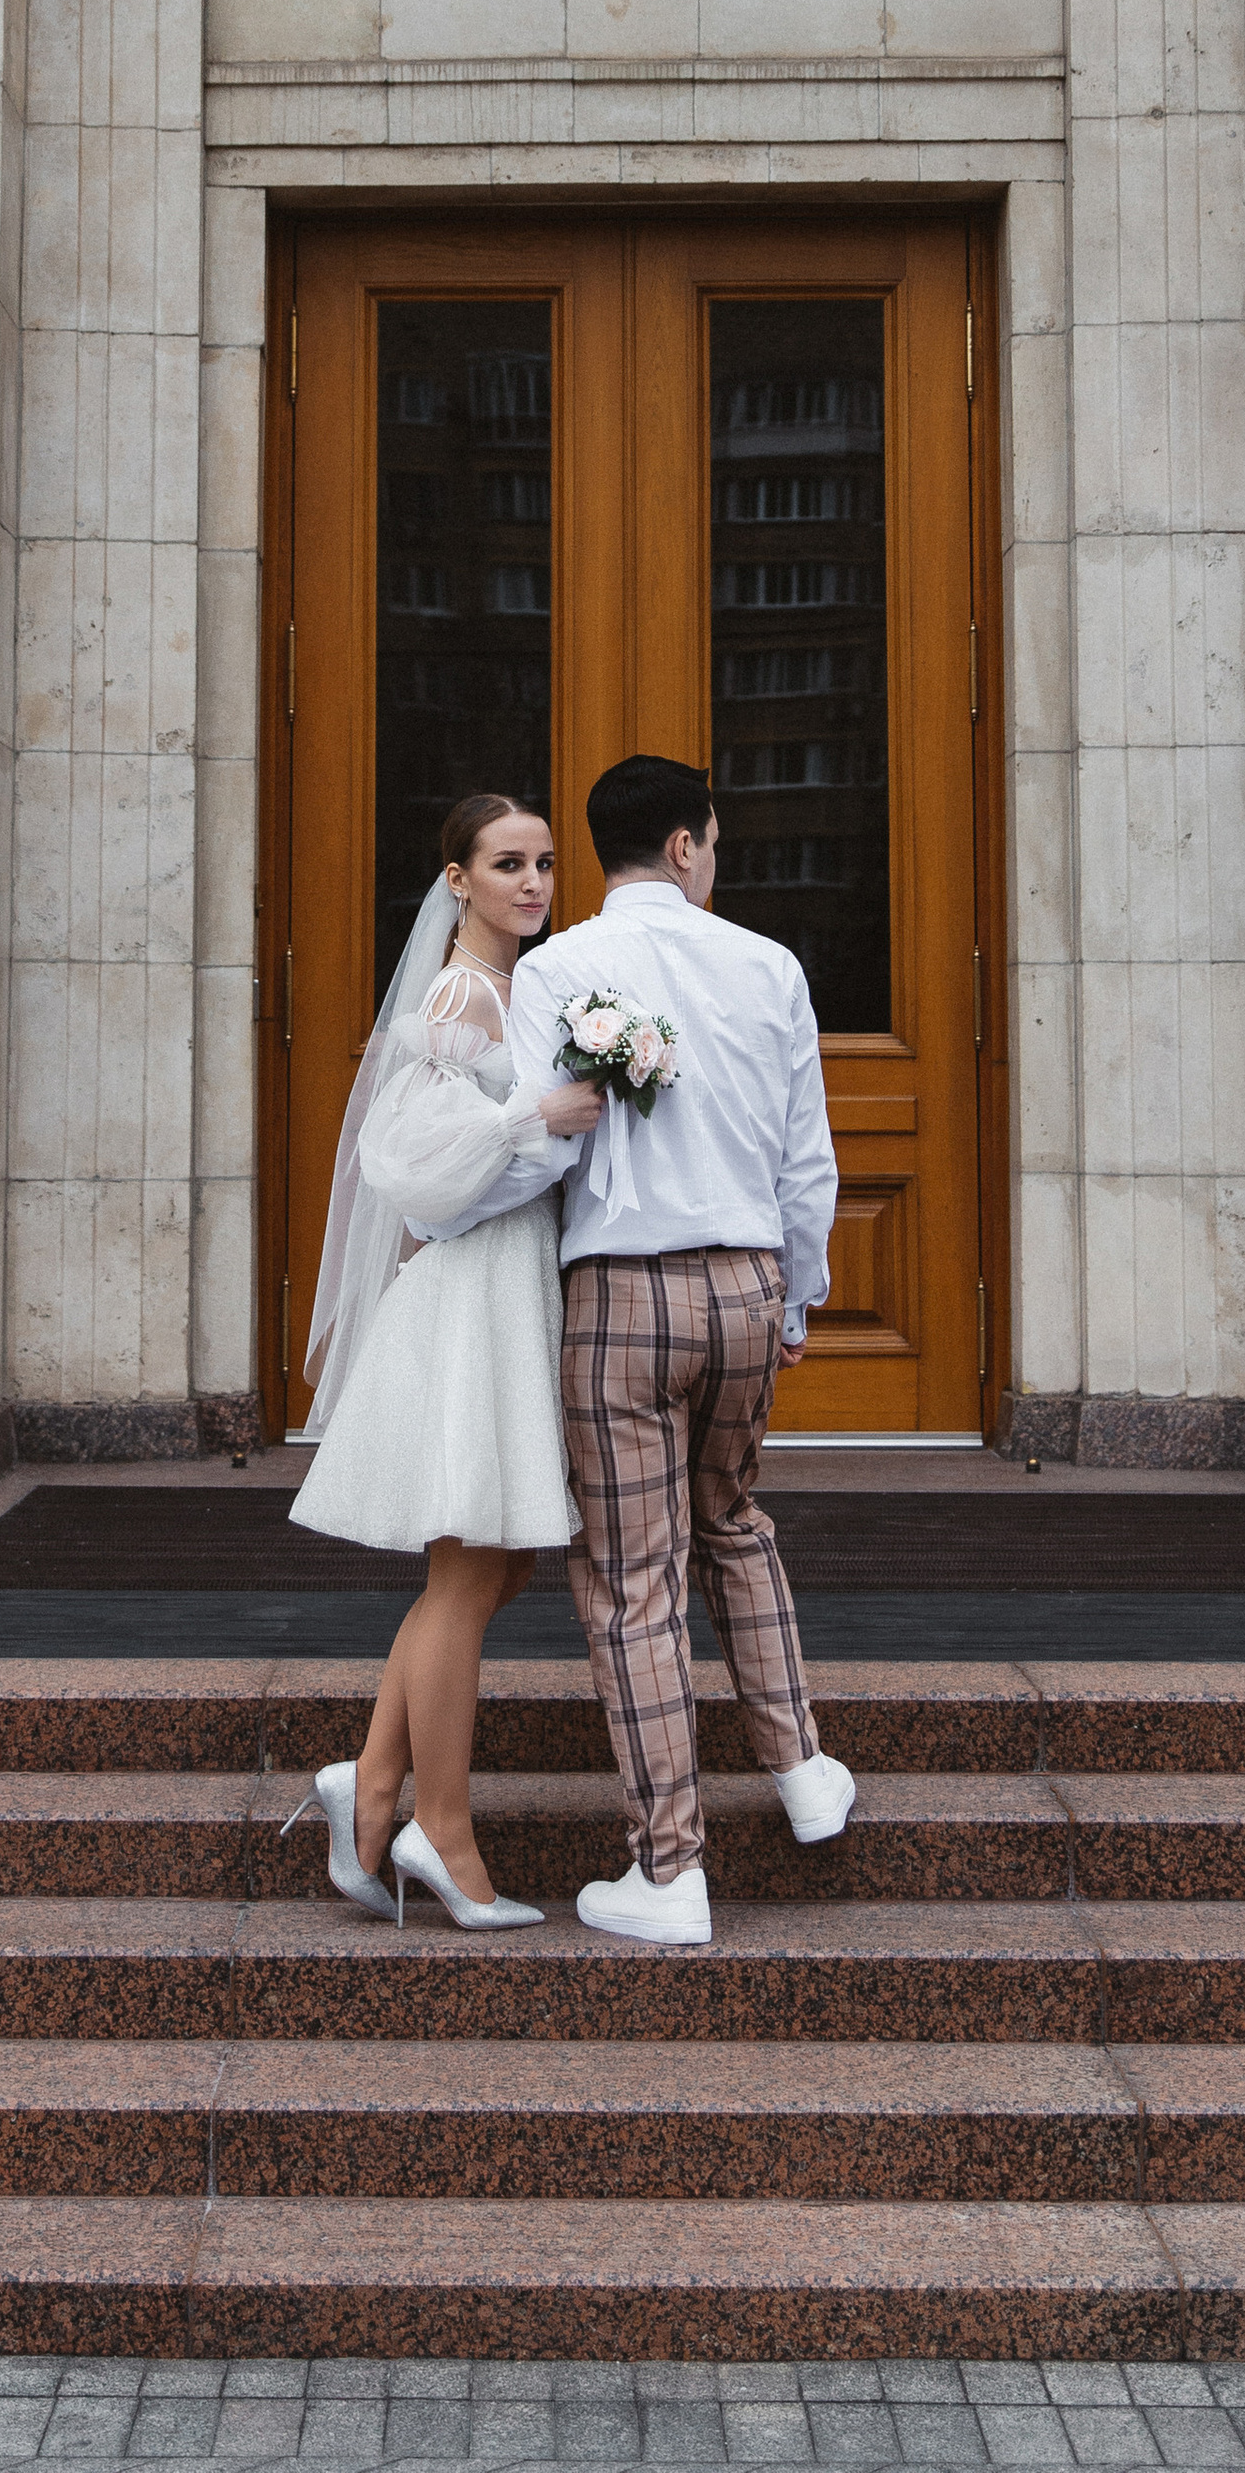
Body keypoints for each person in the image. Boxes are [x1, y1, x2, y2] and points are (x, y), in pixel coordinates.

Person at [447, 752, 855, 1946]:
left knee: (635, 1581)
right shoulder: (769, 966)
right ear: (684, 846)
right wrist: (796, 1297)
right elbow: (807, 1158)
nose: (711, 860)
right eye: (710, 843)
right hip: (744, 1281)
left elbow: (543, 1150)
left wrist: (449, 1211)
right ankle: (801, 1770)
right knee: (732, 1522)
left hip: (622, 1294)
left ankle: (670, 1869)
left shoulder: (557, 968)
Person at [284, 793, 605, 1931]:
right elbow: (407, 1168)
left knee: (495, 1571)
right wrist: (532, 1120)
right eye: (507, 864)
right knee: (469, 1575)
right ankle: (444, 1831)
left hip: (514, 1285)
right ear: (457, 880)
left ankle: (370, 1783)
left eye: (545, 862)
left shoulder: (526, 989)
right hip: (473, 1295)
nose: (534, 882)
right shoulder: (461, 995)